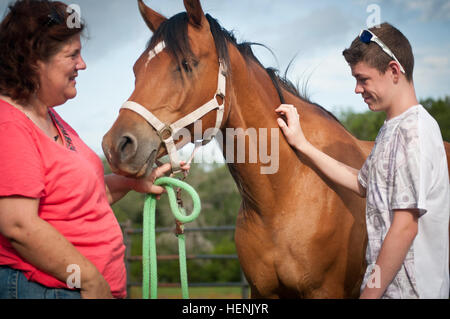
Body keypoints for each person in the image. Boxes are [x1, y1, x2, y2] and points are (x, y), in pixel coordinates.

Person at [0, 0, 187, 299]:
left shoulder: (50, 118)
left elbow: (83, 197)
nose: (82, 64)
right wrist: (88, 280)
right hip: (52, 291)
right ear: (34, 60)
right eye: (72, 54)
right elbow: (18, 224)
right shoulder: (9, 125)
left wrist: (134, 182)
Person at [275, 22, 449, 299]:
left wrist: (368, 295)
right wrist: (302, 144)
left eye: (363, 79)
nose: (357, 89)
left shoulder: (414, 132)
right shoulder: (392, 129)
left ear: (393, 70)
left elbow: (405, 227)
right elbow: (362, 182)